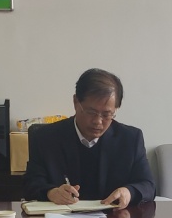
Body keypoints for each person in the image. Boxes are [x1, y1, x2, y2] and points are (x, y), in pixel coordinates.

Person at [23, 68, 155, 209]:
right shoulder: (46, 137)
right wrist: (51, 192)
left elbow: (147, 185)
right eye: (91, 112)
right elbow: (31, 184)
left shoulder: (130, 139)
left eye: (106, 114)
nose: (98, 121)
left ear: (116, 109)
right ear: (76, 102)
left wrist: (128, 192)